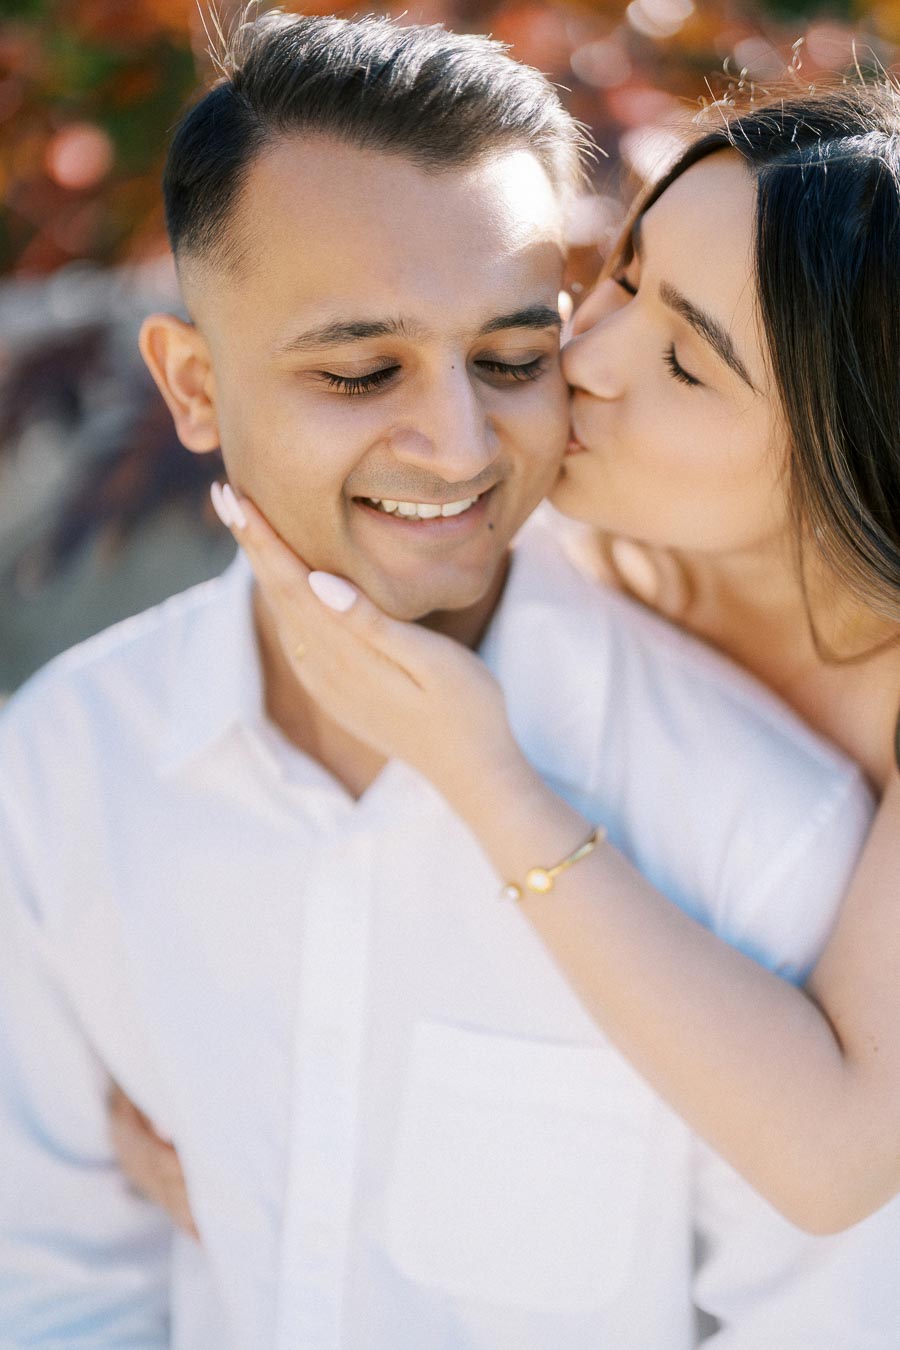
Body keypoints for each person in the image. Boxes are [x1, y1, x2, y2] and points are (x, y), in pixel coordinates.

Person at [1, 11, 898, 1347]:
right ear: (192, 384)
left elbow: (833, 1172)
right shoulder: (79, 749)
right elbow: (59, 1279)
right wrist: (288, 1197)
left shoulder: (784, 821)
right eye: (619, 283)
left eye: (681, 359)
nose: (575, 368)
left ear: (841, 444)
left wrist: (486, 776)